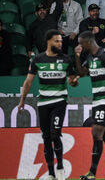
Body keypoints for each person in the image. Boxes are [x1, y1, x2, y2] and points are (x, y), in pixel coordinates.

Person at [17, 30, 78, 180]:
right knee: (45, 137)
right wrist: (22, 101)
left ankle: (60, 168)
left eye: (61, 41)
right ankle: (50, 173)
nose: (60, 44)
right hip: (43, 102)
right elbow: (28, 82)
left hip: (59, 101)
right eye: (57, 41)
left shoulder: (66, 59)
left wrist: (74, 82)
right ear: (48, 41)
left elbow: (72, 81)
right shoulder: (37, 59)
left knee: (55, 134)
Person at [73, 30, 105, 180]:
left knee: (96, 132)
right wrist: (76, 56)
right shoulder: (90, 57)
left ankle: (92, 173)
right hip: (96, 100)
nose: (80, 46)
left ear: (88, 42)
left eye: (81, 44)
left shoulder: (104, 55)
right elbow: (82, 73)